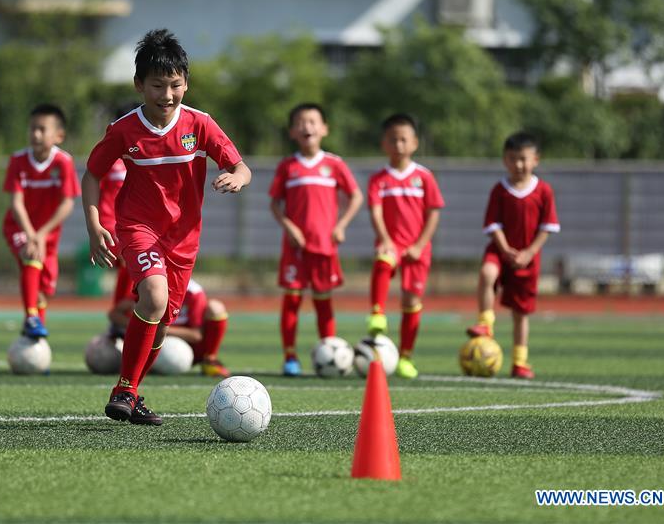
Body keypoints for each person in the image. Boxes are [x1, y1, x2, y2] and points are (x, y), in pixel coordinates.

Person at [82, 29, 251, 426]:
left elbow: (239, 165)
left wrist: (239, 177)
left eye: (176, 85)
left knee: (159, 328)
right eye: (158, 85)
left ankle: (132, 394)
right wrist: (95, 226)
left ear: (186, 83)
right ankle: (124, 389)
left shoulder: (201, 124)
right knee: (153, 297)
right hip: (138, 227)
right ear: (140, 85)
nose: (167, 95)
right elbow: (91, 175)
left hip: (184, 241)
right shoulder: (125, 129)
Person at [269, 103, 363, 376]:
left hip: (324, 246)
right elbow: (275, 204)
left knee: (323, 302)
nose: (307, 126)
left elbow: (356, 196)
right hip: (296, 247)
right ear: (292, 132)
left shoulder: (334, 164)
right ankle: (290, 357)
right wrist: (289, 227)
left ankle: (330, 349)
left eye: (312, 121)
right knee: (293, 300)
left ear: (324, 129)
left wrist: (341, 225)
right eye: (300, 122)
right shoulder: (288, 166)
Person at [467, 132, 560, 379]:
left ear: (535, 160)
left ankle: (519, 362)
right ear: (504, 160)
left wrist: (529, 252)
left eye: (523, 159)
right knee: (487, 273)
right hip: (500, 251)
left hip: (527, 259)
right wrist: (505, 248)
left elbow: (547, 227)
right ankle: (485, 324)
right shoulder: (500, 190)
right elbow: (493, 224)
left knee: (521, 313)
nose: (519, 165)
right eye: (512, 159)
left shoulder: (543, 191)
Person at [365, 113, 444, 379]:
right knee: (383, 259)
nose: (398, 145)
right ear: (383, 144)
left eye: (403, 139)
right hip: (392, 243)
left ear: (414, 143)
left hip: (418, 247)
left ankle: (406, 357)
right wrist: (386, 239)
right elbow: (375, 211)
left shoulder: (424, 177)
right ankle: (377, 313)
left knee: (412, 300)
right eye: (392, 140)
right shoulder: (379, 179)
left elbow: (433, 212)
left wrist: (420, 244)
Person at [2, 104, 80, 339]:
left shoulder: (63, 162)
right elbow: (16, 203)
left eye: (41, 129)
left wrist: (42, 234)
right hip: (18, 226)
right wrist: (32, 236)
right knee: (31, 257)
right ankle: (31, 318)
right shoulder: (18, 160)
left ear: (58, 135)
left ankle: (35, 337)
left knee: (45, 289)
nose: (35, 134)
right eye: (32, 129)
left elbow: (67, 204)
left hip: (48, 234)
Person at [109, 278, 231, 377]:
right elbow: (114, 313)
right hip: (152, 343)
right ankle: (139, 365)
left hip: (191, 350)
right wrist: (138, 324)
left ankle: (209, 360)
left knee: (216, 307)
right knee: (105, 353)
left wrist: (160, 328)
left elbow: (196, 335)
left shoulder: (194, 292)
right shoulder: (150, 286)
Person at [98, 103, 137, 332]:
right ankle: (119, 322)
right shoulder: (109, 158)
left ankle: (125, 320)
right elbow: (95, 189)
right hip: (113, 226)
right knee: (131, 267)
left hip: (138, 225)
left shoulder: (143, 155)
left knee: (139, 273)